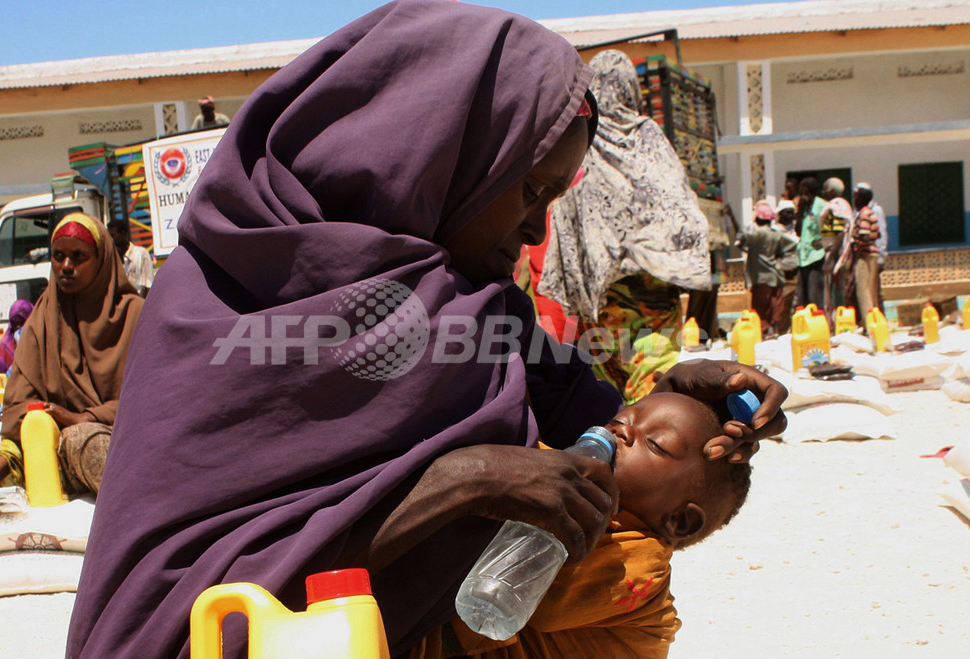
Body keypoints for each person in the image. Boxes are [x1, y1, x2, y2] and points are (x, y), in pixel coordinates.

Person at [65, 4, 787, 657]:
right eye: (529, 189)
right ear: (440, 156)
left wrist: (683, 386)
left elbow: (595, 428)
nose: (538, 229)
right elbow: (208, 614)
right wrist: (464, 480)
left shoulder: (477, 306)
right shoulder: (216, 301)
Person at [412, 392, 751, 658]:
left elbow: (539, 593)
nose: (621, 430)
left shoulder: (641, 564)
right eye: (621, 418)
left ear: (680, 519)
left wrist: (525, 468)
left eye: (655, 443)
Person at [537, 50, 712, 404]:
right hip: (651, 294)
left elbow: (563, 221)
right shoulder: (646, 138)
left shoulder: (579, 142)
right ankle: (647, 455)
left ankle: (613, 455)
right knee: (652, 388)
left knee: (604, 391)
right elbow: (683, 213)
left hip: (595, 302)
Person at [0, 213, 143, 506]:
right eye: (58, 256)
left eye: (78, 256)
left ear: (102, 259)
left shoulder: (136, 316)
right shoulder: (42, 323)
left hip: (140, 441)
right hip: (76, 452)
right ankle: (144, 504)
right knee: (83, 439)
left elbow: (157, 397)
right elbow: (21, 414)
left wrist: (87, 416)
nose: (66, 267)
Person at [735, 202, 793, 337]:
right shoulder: (776, 234)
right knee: (775, 309)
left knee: (760, 311)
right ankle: (776, 334)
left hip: (761, 278)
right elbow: (789, 248)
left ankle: (763, 335)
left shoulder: (757, 234)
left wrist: (732, 217)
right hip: (776, 276)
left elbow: (740, 239)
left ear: (758, 218)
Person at [819, 177, 853, 324]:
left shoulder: (836, 207)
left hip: (837, 255)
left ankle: (838, 324)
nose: (823, 192)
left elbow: (839, 234)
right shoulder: (841, 205)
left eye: (825, 189)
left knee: (835, 292)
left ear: (832, 191)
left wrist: (831, 259)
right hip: (836, 252)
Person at [850, 183, 882, 328]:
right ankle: (875, 323)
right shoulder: (871, 212)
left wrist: (854, 242)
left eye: (855, 197)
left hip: (865, 255)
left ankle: (869, 326)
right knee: (872, 291)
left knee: (863, 292)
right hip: (874, 254)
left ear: (861, 198)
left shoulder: (863, 214)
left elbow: (865, 236)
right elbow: (878, 234)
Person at [795, 176, 826, 310]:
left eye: (805, 193)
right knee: (802, 297)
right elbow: (798, 231)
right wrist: (800, 212)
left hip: (816, 256)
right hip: (803, 256)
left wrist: (824, 242)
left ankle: (818, 324)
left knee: (815, 294)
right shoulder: (804, 209)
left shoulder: (822, 206)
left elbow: (833, 231)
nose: (803, 196)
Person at [856, 182, 889, 308]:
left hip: (870, 253)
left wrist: (881, 256)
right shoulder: (860, 211)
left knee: (872, 289)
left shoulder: (875, 210)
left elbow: (881, 233)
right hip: (862, 254)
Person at [106, 219, 154, 297]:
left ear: (123, 234)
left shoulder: (140, 253)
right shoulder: (110, 257)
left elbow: (149, 283)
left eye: (112, 235)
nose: (110, 239)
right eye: (108, 236)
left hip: (139, 303)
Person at [773, 199, 800, 334]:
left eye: (791, 213)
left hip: (795, 273)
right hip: (780, 274)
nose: (789, 216)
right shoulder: (775, 230)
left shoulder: (796, 230)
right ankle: (781, 332)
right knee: (781, 307)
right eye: (786, 213)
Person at [0, 299, 35, 376]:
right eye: (15, 324)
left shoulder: (40, 340)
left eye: (22, 323)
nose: (18, 327)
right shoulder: (5, 347)